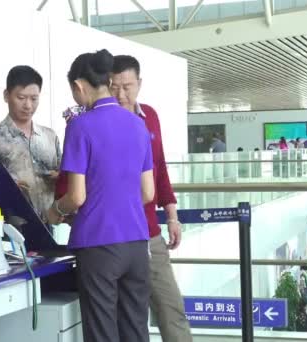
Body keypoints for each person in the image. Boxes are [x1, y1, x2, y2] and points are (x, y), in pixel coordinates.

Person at [46, 49, 154, 342]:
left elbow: (76, 197)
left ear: (79, 86)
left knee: (102, 332)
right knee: (135, 329)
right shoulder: (138, 124)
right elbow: (148, 192)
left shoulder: (81, 126)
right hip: (137, 243)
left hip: (98, 244)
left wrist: (54, 210)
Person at [109, 54, 192, 341]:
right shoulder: (101, 123)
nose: (121, 94)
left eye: (127, 86)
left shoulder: (150, 117)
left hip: (150, 232)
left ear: (139, 84)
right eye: (114, 86)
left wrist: (172, 215)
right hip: (118, 235)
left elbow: (160, 169)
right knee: (131, 318)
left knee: (172, 308)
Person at [0, 66, 61, 217]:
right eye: (21, 98)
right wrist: (6, 186)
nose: (28, 105)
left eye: (34, 99)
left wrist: (60, 176)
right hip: (11, 225)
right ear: (6, 96)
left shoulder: (50, 136)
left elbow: (65, 174)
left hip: (51, 222)